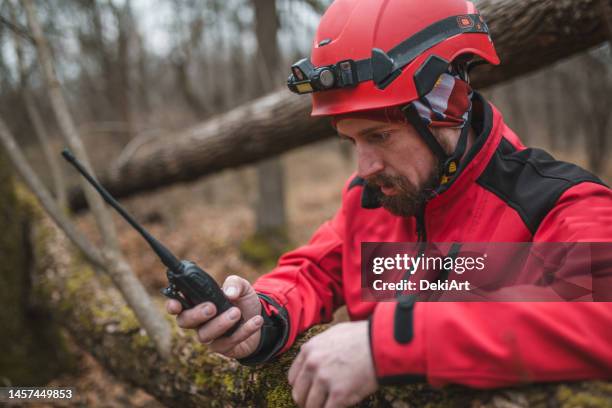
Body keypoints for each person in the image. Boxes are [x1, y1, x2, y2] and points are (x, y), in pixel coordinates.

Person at [166, 0, 612, 406]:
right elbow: (319, 269)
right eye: (352, 141)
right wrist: (262, 314)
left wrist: (390, 345)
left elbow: (601, 316)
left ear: (446, 104)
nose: (364, 166)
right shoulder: (374, 201)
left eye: (379, 136)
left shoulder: (556, 205)